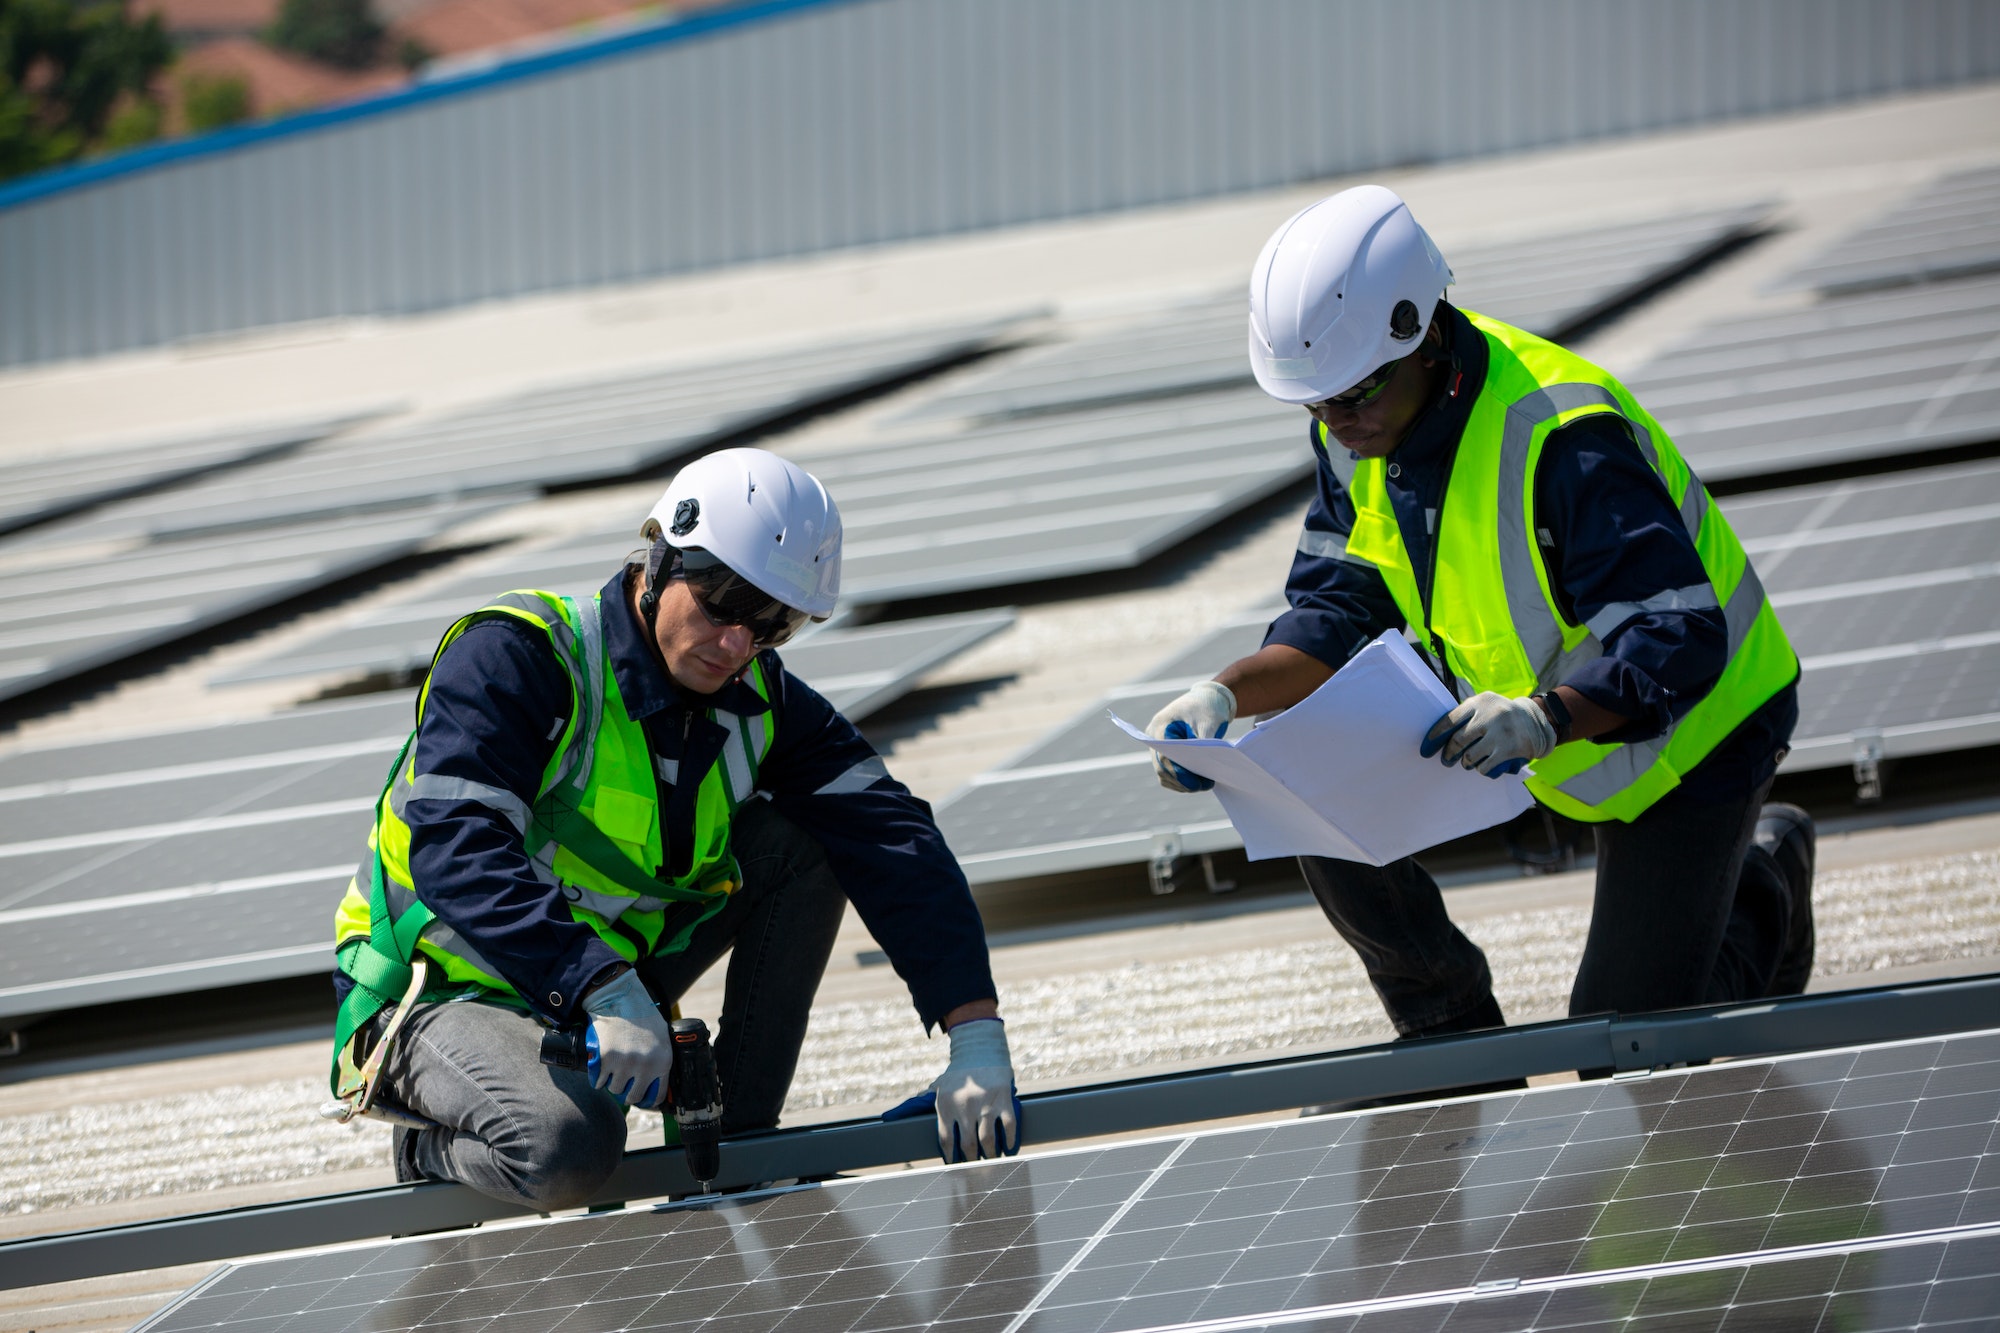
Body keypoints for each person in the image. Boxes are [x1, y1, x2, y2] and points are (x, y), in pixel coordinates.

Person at [1148, 186, 1815, 1047]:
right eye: (1317, 403)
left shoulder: (1561, 433)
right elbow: (1342, 604)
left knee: (1619, 1039)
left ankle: (1766, 881)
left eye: (1356, 393)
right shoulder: (1360, 433)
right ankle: (1449, 1023)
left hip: (1697, 736)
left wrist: (1541, 721)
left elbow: (1676, 636)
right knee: (1303, 782)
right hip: (1530, 729)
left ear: (1424, 333)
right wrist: (1226, 694)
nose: (1339, 422)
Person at [325, 447, 1017, 1209]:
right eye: (722, 604)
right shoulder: (521, 657)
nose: (736, 646)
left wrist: (973, 1028)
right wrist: (597, 985)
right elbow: (456, 845)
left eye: (773, 625)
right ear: (660, 556)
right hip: (445, 990)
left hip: (603, 980)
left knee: (810, 837)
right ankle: (427, 1145)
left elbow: (890, 834)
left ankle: (741, 1141)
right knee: (569, 1147)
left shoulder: (758, 696)